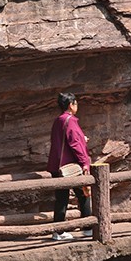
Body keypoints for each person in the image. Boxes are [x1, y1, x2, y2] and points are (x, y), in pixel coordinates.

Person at [47, 92, 92, 241]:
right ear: (71, 105)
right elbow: (75, 144)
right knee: (84, 195)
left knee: (61, 198)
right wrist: (85, 162)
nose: (77, 106)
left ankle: (58, 231)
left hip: (57, 165)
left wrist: (81, 139)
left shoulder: (58, 120)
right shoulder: (70, 121)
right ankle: (87, 227)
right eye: (76, 103)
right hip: (70, 167)